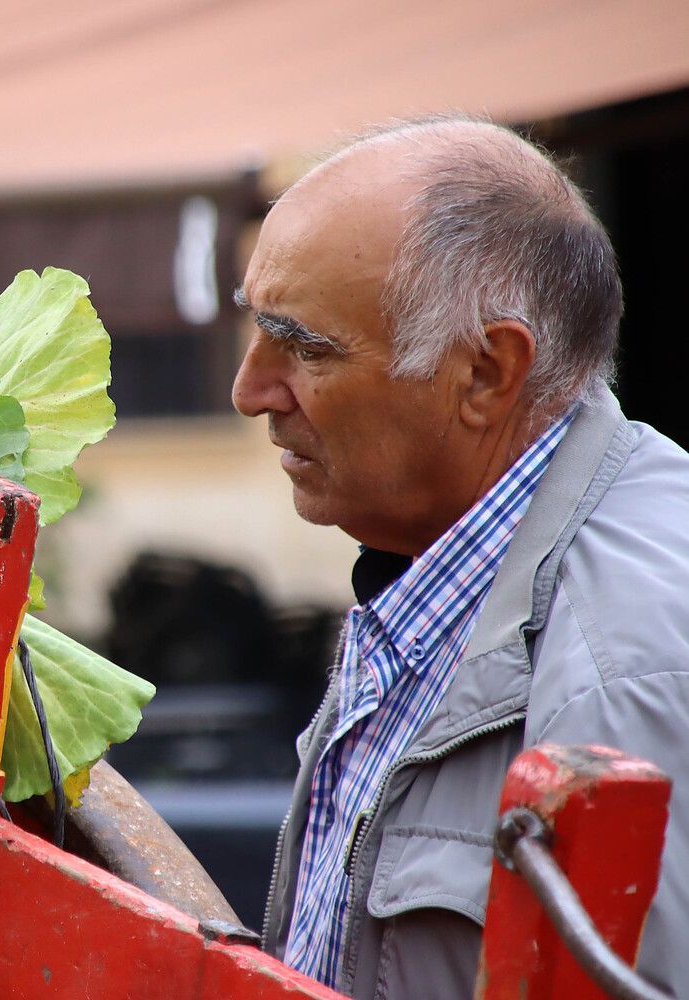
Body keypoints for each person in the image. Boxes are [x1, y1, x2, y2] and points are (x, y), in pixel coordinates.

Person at [231, 114, 689, 998]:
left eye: (304, 347)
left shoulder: (627, 672)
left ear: (486, 373)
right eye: (257, 330)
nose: (249, 391)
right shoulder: (451, 560)